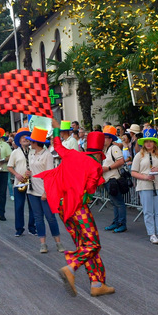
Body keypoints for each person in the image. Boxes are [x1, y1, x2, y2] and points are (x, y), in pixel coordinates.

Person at [38, 124, 115, 298]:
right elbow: (89, 191)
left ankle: (97, 283)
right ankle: (71, 268)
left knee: (84, 245)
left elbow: (57, 145)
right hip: (78, 207)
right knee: (93, 244)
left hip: (63, 207)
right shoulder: (95, 166)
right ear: (100, 152)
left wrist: (56, 129)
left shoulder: (72, 154)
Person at [131, 131, 158, 244]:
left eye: (151, 141)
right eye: (146, 142)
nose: (148, 144)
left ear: (155, 143)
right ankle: (152, 234)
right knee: (148, 211)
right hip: (144, 185)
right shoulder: (139, 155)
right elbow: (133, 172)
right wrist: (145, 177)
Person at [26, 127, 63, 253]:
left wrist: (46, 192)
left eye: (31, 141)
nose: (30, 143)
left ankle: (58, 242)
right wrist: (28, 173)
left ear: (36, 142)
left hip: (44, 191)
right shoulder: (31, 153)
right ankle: (43, 243)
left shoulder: (47, 155)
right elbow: (32, 169)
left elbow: (50, 175)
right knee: (38, 218)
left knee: (50, 217)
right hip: (32, 190)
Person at [7, 128, 35, 238]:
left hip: (32, 182)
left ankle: (32, 228)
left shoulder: (33, 151)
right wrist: (17, 175)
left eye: (27, 137)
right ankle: (19, 229)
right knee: (19, 206)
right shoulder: (15, 152)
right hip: (20, 182)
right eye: (23, 138)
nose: (25, 139)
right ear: (19, 140)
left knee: (33, 206)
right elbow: (9, 167)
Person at [101, 126, 128, 233]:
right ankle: (116, 222)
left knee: (119, 202)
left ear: (110, 139)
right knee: (114, 202)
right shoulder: (106, 149)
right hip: (108, 179)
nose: (103, 139)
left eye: (105, 137)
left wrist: (108, 168)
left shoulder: (114, 148)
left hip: (113, 179)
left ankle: (121, 223)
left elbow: (121, 161)